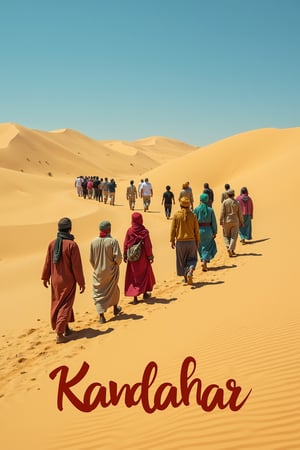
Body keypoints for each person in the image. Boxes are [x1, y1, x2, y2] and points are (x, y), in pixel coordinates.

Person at [41, 217, 85, 344]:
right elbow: (77, 267)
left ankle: (66, 329)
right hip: (68, 281)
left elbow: (48, 262)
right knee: (65, 304)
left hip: (55, 281)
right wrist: (81, 282)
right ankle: (60, 333)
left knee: (60, 303)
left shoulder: (52, 244)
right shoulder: (72, 245)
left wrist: (45, 277)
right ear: (69, 229)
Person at [89, 221, 122, 324]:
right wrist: (115, 264)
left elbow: (91, 259)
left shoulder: (93, 242)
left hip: (98, 273)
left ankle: (101, 316)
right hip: (111, 271)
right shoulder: (113, 241)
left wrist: (97, 268)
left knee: (99, 293)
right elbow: (118, 258)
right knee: (114, 289)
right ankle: (115, 308)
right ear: (109, 229)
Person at [123, 212, 155, 304]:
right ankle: (145, 293)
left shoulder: (129, 231)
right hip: (143, 258)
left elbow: (125, 243)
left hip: (132, 258)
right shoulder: (144, 231)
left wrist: (125, 255)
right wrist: (150, 256)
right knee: (145, 275)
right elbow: (148, 245)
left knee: (134, 277)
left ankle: (135, 297)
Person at [170, 197, 200, 284]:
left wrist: (172, 240)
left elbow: (172, 229)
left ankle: (186, 278)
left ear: (180, 204)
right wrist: (198, 241)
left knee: (182, 261)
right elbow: (196, 230)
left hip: (180, 242)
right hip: (191, 242)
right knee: (193, 259)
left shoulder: (176, 215)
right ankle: (190, 271)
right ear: (189, 205)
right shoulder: (193, 215)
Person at [193, 193, 217, 271]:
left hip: (198, 231)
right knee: (207, 247)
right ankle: (204, 262)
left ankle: (203, 260)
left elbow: (193, 222)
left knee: (200, 247)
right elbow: (214, 222)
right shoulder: (210, 210)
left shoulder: (196, 209)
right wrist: (215, 231)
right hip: (208, 230)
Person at [220, 189, 244, 257]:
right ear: (233, 194)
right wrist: (242, 222)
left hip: (226, 221)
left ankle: (228, 247)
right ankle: (231, 249)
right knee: (234, 236)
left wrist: (220, 220)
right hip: (235, 221)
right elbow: (240, 214)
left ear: (227, 195)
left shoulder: (225, 202)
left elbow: (222, 212)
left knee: (226, 235)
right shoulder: (237, 202)